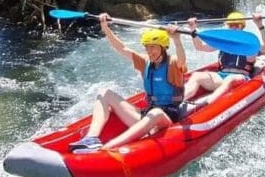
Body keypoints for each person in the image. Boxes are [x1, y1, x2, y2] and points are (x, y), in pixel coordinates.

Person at [68, 14, 187, 153]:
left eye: (153, 47)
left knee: (156, 113)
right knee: (104, 93)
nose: (149, 51)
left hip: (166, 118)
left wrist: (177, 40)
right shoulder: (145, 62)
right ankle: (91, 139)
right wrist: (105, 28)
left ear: (163, 47)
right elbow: (121, 48)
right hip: (146, 115)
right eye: (147, 47)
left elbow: (182, 61)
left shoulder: (173, 63)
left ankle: (107, 148)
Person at [183, 11, 265, 107]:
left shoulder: (249, 44)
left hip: (241, 78)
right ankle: (179, 101)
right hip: (221, 76)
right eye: (231, 25)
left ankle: (207, 104)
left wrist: (260, 25)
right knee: (197, 75)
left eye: (237, 25)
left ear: (242, 27)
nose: (234, 27)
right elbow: (200, 47)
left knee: (231, 79)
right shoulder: (223, 43)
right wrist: (193, 29)